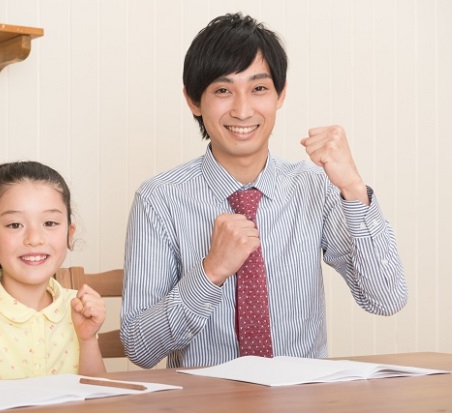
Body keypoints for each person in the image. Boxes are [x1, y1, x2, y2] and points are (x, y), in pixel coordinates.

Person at [120, 12, 408, 369]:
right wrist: (210, 272)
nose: (242, 110)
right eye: (223, 90)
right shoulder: (159, 199)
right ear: (194, 100)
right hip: (205, 403)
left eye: (258, 88)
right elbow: (139, 348)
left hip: (301, 400)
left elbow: (387, 298)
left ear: (280, 94)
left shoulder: (315, 187)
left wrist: (352, 187)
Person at [0, 161, 106, 384]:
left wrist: (88, 339)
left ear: (70, 234)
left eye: (50, 222)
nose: (34, 238)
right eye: (15, 225)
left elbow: (99, 400)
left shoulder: (77, 306)